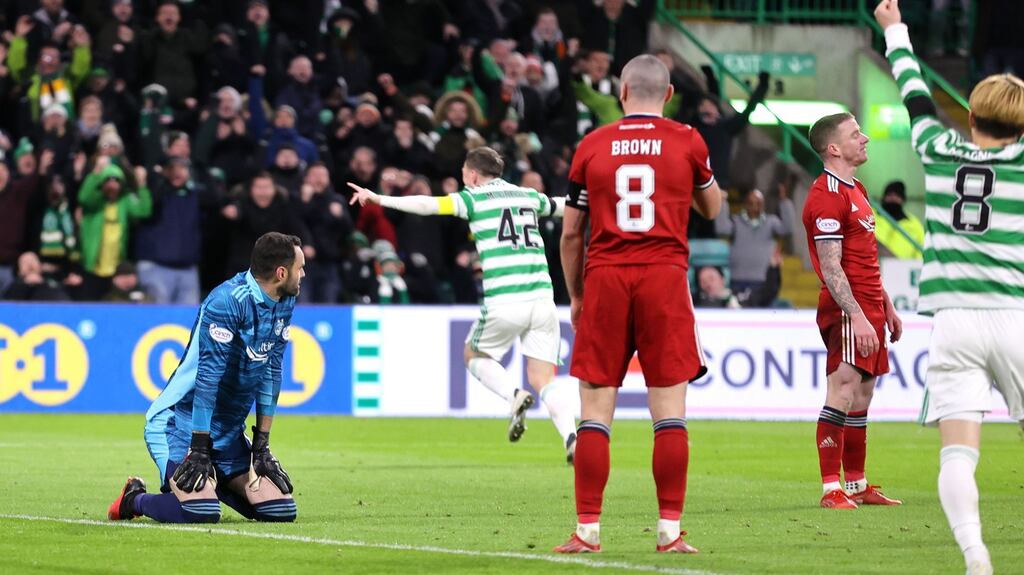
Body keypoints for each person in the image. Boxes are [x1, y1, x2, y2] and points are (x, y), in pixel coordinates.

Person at [877, 2, 1024, 573]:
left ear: (970, 115)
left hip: (955, 321)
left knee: (958, 452)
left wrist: (895, 30)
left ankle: (976, 556)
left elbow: (914, 91)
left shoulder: (937, 150)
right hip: (1015, 315)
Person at [556, 54, 722, 554]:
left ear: (622, 91)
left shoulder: (592, 145)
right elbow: (712, 209)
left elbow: (570, 234)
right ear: (668, 94)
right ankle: (669, 532)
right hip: (664, 278)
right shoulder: (688, 140)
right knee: (669, 412)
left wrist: (578, 295)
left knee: (595, 413)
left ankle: (587, 531)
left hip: (606, 277)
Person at [348, 147, 578, 462]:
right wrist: (608, 200)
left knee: (472, 353)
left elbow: (428, 204)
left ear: (471, 175)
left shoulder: (473, 198)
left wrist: (379, 198)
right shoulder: (529, 195)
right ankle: (570, 435)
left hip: (504, 299)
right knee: (543, 378)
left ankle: (514, 395)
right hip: (542, 299)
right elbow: (566, 205)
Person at [107, 232, 303, 524]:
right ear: (281, 273)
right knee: (200, 512)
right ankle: (134, 499)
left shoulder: (283, 301)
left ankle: (212, 483)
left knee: (280, 511)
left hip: (227, 433)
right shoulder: (227, 301)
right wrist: (199, 448)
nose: (304, 274)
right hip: (180, 425)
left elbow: (271, 371)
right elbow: (208, 378)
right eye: (300, 267)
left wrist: (261, 444)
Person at [803, 111, 904, 511]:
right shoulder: (826, 196)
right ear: (833, 148)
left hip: (870, 306)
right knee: (843, 390)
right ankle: (832, 489)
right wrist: (859, 315)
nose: (864, 139)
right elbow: (831, 267)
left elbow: (865, 257)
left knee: (862, 394)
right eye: (855, 134)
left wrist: (887, 306)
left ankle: (858, 483)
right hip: (848, 309)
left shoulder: (856, 187)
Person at [714, 184, 795, 303]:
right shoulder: (737, 221)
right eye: (751, 203)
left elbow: (787, 228)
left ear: (763, 205)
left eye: (758, 203)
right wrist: (723, 202)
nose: (754, 206)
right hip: (737, 280)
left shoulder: (771, 222)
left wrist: (784, 202)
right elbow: (721, 229)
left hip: (763, 282)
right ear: (745, 204)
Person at [874, 180, 925, 259]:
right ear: (883, 197)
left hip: (902, 269)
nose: (893, 198)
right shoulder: (869, 214)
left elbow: (921, 252)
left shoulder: (914, 224)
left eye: (897, 196)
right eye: (889, 195)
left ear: (903, 200)